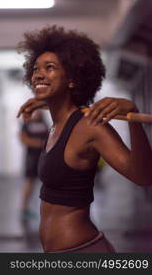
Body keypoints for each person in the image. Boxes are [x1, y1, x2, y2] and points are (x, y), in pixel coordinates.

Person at [17, 25, 152, 252]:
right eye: (36, 68)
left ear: (72, 79)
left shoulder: (90, 126)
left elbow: (143, 176)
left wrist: (134, 117)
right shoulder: (57, 125)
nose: (38, 74)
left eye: (50, 68)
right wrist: (48, 101)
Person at [19, 109, 48, 220]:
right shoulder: (27, 123)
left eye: (40, 111)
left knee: (47, 183)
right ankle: (23, 209)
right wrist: (38, 143)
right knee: (29, 183)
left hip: (44, 158)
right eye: (36, 111)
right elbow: (22, 138)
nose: (39, 112)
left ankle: (47, 209)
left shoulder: (44, 123)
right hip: (31, 158)